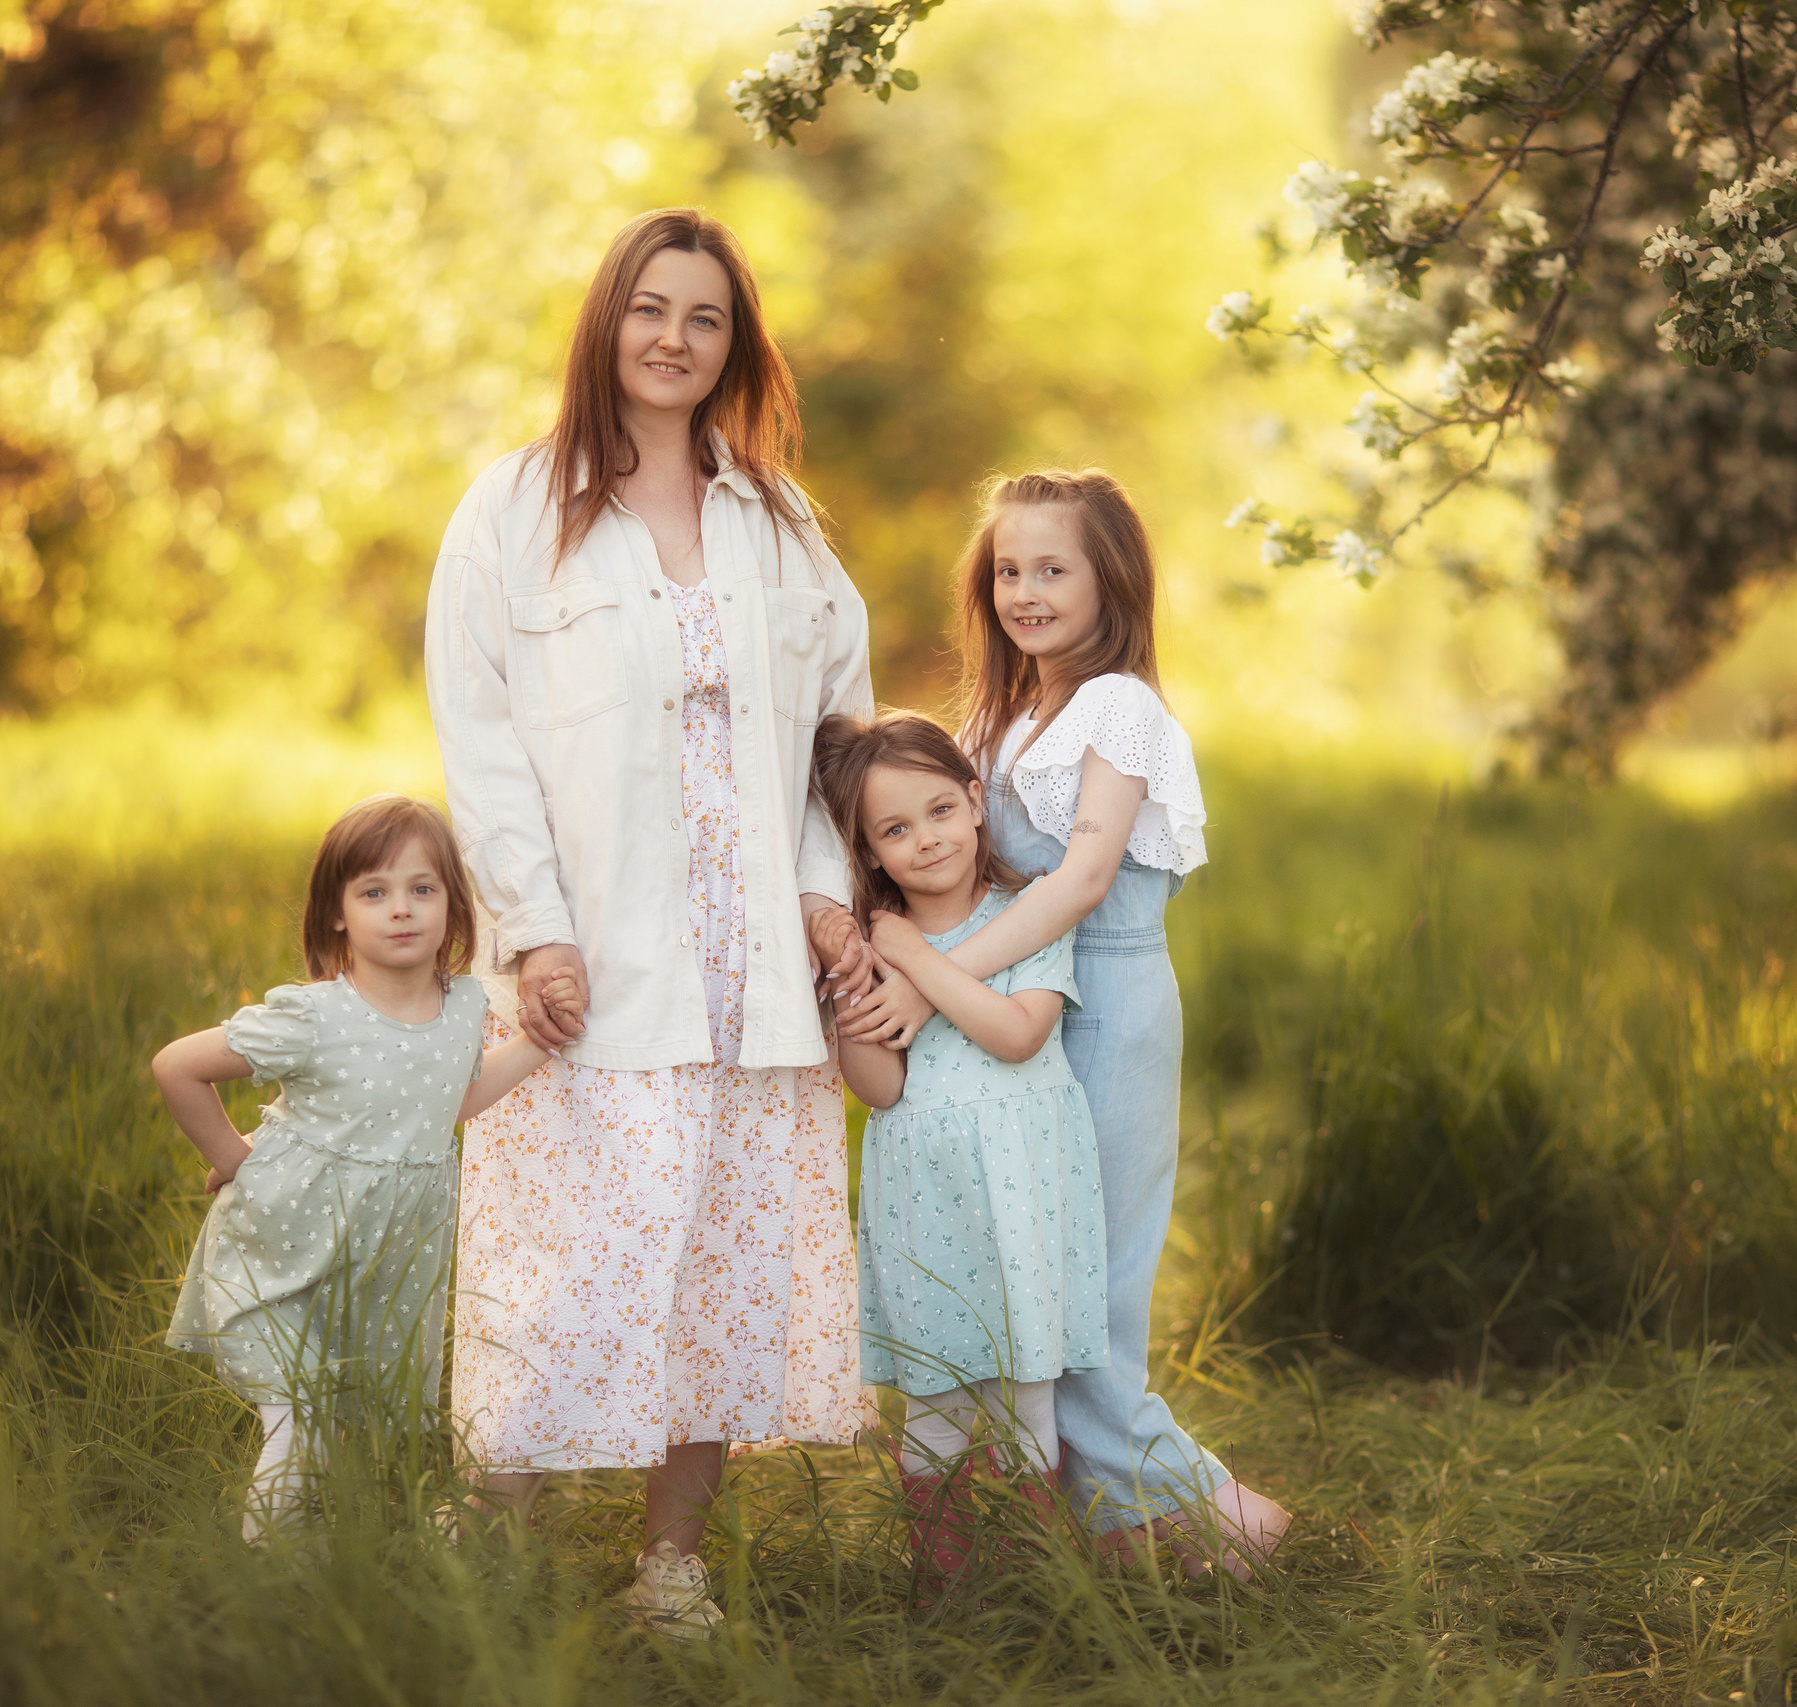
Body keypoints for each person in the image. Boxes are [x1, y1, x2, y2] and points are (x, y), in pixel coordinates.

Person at [423, 207, 874, 1638]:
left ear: (735, 345)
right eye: (651, 309)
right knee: (557, 1266)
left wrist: (820, 875)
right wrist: (532, 928)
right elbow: (478, 737)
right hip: (593, 963)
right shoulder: (513, 506)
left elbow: (843, 738)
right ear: (605, 321)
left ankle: (670, 1568)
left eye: (707, 318)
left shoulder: (781, 520)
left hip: (754, 974)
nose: (675, 340)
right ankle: (488, 1544)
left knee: (720, 1275)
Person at [841, 469, 1293, 1576]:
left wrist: (929, 971)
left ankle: (1221, 1530)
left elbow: (1083, 879)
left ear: (1111, 579)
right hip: (999, 1006)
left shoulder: (1119, 708)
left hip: (1104, 1003)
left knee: (1084, 1295)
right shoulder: (999, 716)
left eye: (1055, 568)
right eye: (1008, 570)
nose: (1027, 591)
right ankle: (1079, 1532)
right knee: (1027, 1276)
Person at [156, 794, 559, 1543]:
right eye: (374, 891)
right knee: (297, 1420)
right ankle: (269, 1583)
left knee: (341, 1423)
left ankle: (333, 1556)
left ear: (451, 906)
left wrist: (537, 1045)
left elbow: (451, 1101)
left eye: (422, 888)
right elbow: (178, 1065)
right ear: (337, 912)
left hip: (381, 1266)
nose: (401, 909)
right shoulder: (316, 1016)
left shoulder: (464, 1005)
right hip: (280, 1253)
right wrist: (231, 1156)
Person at [811, 711, 1111, 1595]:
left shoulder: (1028, 915)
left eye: (941, 810)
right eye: (895, 830)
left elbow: (1018, 1034)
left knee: (1025, 1390)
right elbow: (881, 1087)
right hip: (926, 1199)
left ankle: (1034, 1585)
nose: (926, 839)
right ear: (869, 852)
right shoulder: (876, 940)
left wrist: (914, 956)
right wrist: (853, 980)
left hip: (1021, 1193)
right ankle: (944, 1590)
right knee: (938, 1398)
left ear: (977, 802)